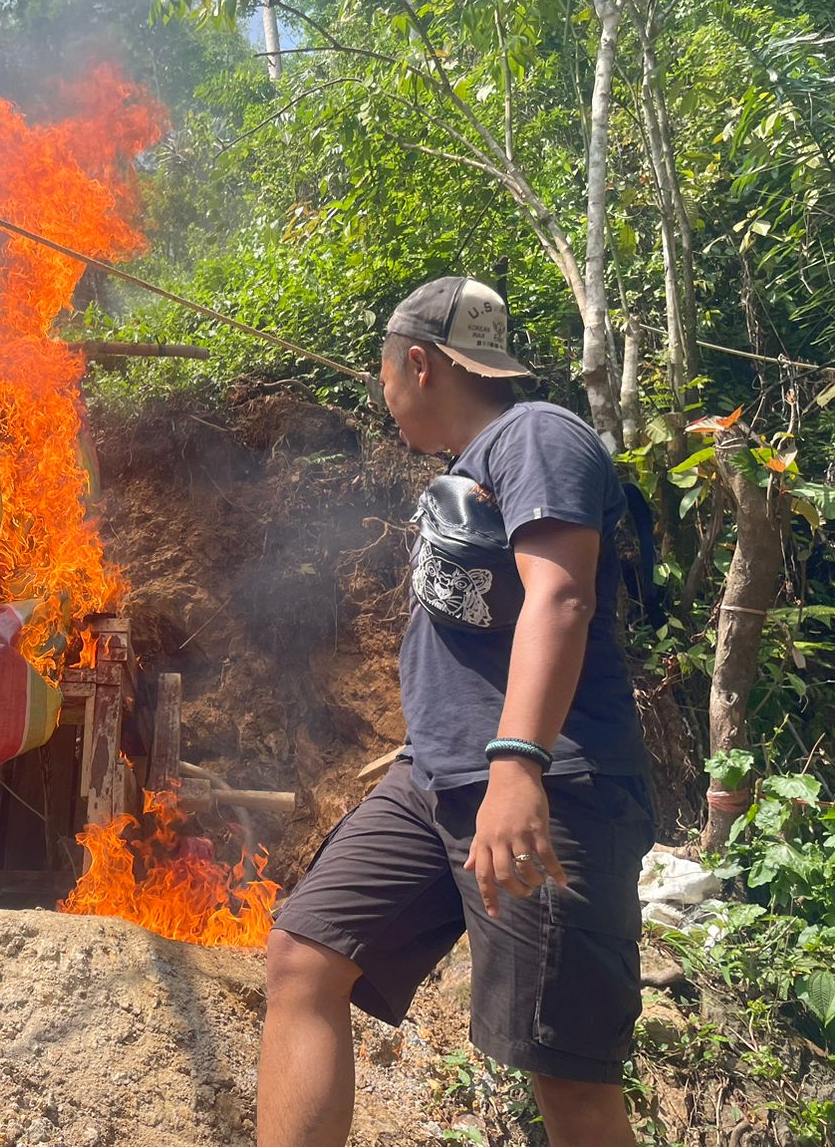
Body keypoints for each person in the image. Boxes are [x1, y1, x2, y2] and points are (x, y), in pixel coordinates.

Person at [258, 277, 654, 1146]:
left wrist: (518, 766)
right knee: (304, 955)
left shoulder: (539, 435)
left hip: (547, 782)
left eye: (383, 378)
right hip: (432, 779)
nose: (383, 397)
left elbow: (562, 599)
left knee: (566, 1074)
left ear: (418, 363)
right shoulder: (467, 470)